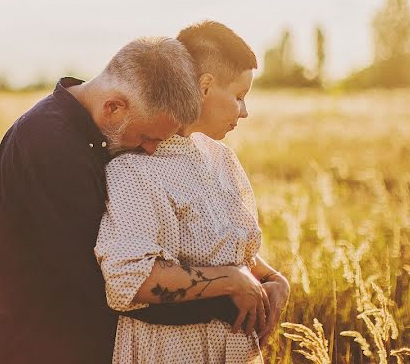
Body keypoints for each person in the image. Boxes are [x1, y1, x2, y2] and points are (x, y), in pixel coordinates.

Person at [0, 36, 263, 364]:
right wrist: (228, 297)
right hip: (37, 348)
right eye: (147, 137)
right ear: (113, 107)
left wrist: (256, 276)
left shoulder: (90, 131)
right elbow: (107, 283)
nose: (151, 149)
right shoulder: (49, 148)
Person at [95, 21, 290, 364]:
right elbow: (128, 279)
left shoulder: (221, 157)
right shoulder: (134, 168)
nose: (245, 111)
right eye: (239, 97)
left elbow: (224, 243)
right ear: (204, 87)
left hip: (230, 348)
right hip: (170, 350)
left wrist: (272, 279)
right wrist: (231, 281)